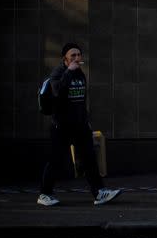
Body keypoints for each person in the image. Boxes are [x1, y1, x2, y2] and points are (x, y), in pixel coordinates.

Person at [38, 43, 121, 206]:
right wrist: (68, 72)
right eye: (73, 56)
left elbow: (81, 101)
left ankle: (99, 193)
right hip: (61, 126)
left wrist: (86, 122)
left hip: (80, 126)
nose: (77, 58)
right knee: (56, 161)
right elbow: (59, 92)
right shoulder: (59, 73)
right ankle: (44, 194)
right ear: (65, 59)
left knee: (89, 158)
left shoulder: (80, 74)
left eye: (79, 55)